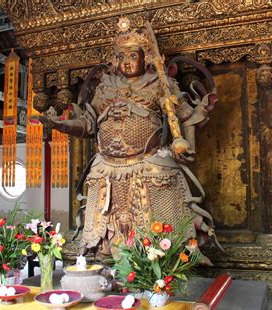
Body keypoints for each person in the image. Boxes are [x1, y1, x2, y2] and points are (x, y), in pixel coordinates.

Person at [38, 19, 219, 257]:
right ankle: (104, 259)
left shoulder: (159, 84)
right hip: (107, 167)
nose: (127, 61)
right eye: (122, 56)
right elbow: (87, 124)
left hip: (149, 163)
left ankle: (163, 263)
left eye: (133, 55)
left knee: (163, 231)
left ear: (146, 58)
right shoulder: (105, 86)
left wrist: (201, 113)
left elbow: (184, 117)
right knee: (103, 231)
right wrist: (60, 125)